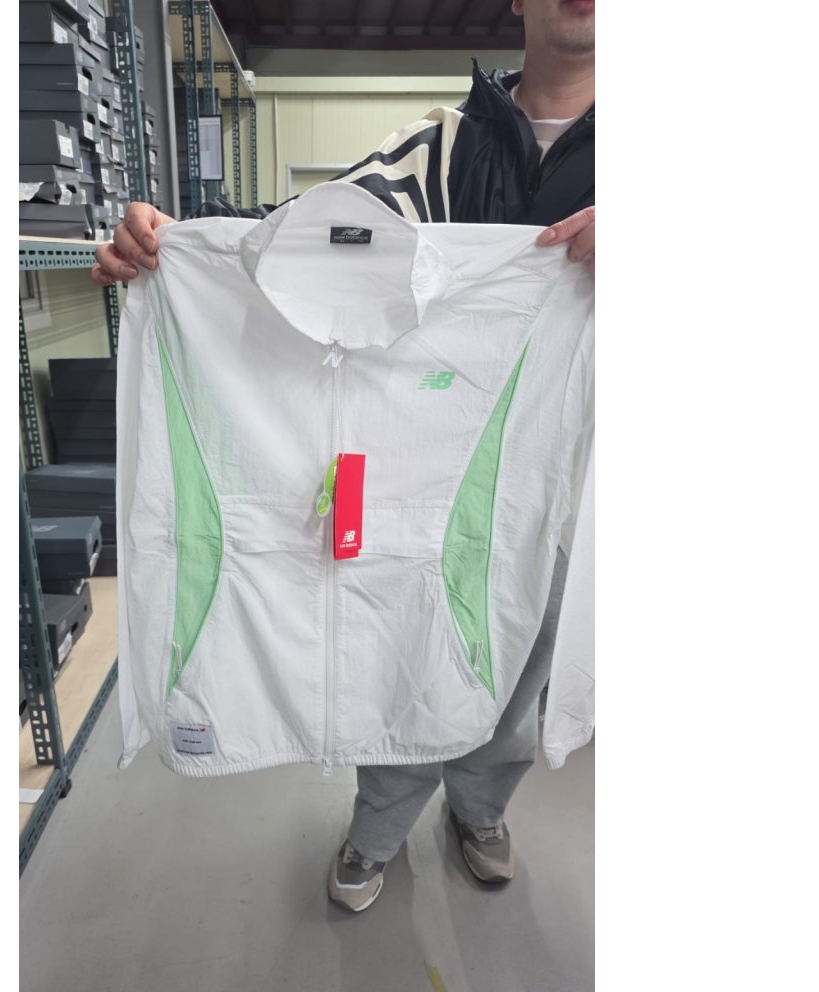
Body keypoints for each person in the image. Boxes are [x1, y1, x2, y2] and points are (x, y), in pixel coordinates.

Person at [93, 0, 594, 913]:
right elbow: (300, 233)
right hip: (423, 457)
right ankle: (378, 829)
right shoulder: (440, 144)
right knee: (398, 641)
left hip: (572, 463)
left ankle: (481, 811)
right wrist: (177, 241)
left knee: (512, 665)